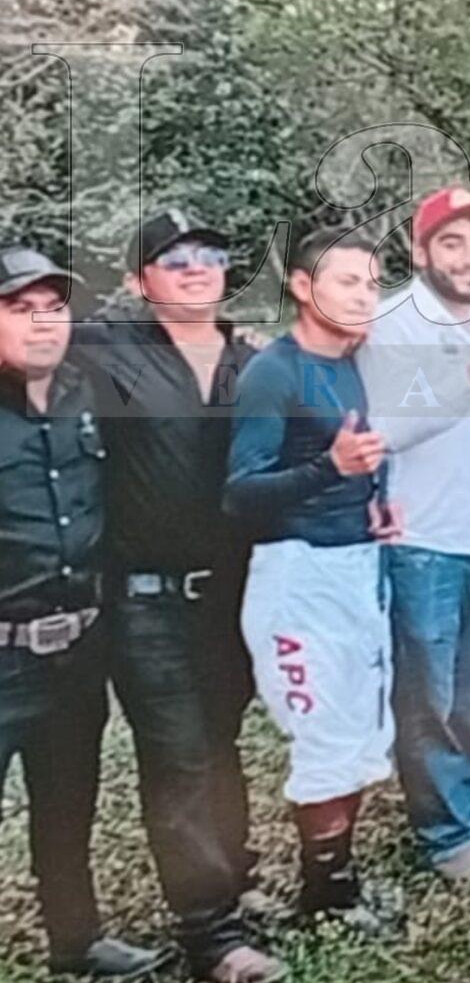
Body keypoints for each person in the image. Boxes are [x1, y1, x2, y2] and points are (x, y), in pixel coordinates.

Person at [69, 212, 283, 983]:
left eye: (211, 255)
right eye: (173, 258)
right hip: (143, 600)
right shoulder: (100, 348)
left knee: (222, 742)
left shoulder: (252, 360)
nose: (197, 268)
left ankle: (233, 878)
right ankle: (211, 939)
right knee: (180, 757)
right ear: (138, 280)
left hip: (233, 591)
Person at [354, 188, 470, 885]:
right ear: (420, 250)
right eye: (454, 243)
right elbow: (383, 429)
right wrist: (468, 377)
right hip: (416, 539)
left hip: (469, 533)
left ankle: (463, 814)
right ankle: (441, 837)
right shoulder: (391, 323)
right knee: (426, 696)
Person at [0, 245, 171, 980]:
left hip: (75, 651)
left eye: (54, 308)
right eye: (21, 309)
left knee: (67, 807)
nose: (44, 324)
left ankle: (78, 942)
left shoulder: (88, 391)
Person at [224, 229, 398, 933]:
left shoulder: (353, 362)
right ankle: (321, 897)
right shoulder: (276, 372)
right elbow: (239, 493)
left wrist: (373, 498)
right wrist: (333, 471)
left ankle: (339, 882)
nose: (362, 295)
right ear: (302, 287)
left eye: (371, 283)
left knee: (359, 730)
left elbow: (352, 456)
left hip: (357, 565)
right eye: (345, 281)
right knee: (323, 736)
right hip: (296, 577)